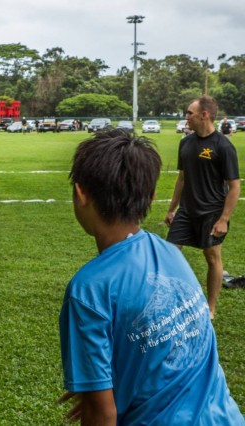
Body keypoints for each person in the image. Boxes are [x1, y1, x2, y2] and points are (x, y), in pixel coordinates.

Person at [58, 128, 244, 425]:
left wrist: (98, 400)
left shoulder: (89, 289)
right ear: (153, 195)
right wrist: (104, 387)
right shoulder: (169, 251)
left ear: (81, 194)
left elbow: (102, 414)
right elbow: (177, 348)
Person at [165, 96, 240, 320]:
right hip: (186, 211)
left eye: (189, 113)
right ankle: (170, 302)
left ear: (203, 115)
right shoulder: (185, 143)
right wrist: (171, 209)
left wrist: (224, 219)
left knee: (212, 257)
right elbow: (182, 179)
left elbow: (234, 186)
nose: (186, 117)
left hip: (212, 213)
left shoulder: (223, 146)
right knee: (168, 254)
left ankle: (211, 308)